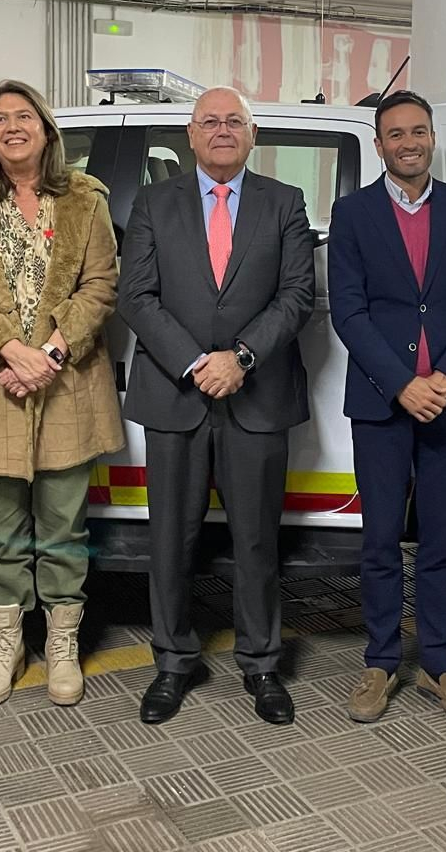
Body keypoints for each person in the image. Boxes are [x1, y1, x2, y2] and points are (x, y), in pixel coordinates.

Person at [119, 87, 316, 725]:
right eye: (211, 121)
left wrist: (241, 359)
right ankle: (174, 662)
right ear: (191, 134)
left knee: (257, 540)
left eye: (235, 121)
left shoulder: (284, 203)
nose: (223, 130)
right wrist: (197, 362)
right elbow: (137, 295)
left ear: (253, 135)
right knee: (170, 540)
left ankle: (262, 665)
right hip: (176, 394)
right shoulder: (154, 203)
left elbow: (295, 296)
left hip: (255, 395)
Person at [0, 81, 124, 708]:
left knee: (65, 527)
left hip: (66, 379)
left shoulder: (85, 200)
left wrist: (48, 352)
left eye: (24, 116)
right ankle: (7, 644)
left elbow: (101, 283)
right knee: (0, 530)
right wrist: (7, 351)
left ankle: (62, 646)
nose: (12, 126)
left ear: (46, 129)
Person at [328, 90, 446, 726]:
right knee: (378, 540)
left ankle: (437, 664)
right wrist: (403, 383)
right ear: (379, 144)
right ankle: (379, 662)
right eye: (395, 133)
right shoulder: (353, 213)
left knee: (441, 538)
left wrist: (445, 377)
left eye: (418, 131)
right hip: (380, 402)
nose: (408, 142)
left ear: (432, 138)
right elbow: (348, 309)